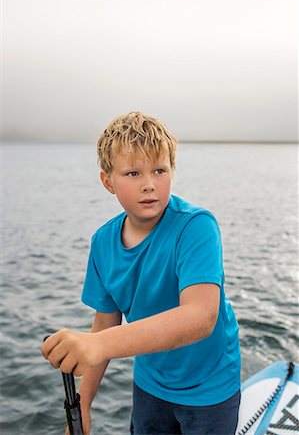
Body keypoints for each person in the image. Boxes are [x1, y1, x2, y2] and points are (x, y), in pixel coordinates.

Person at [41, 111, 241, 435]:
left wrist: (100, 345)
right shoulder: (102, 243)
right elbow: (105, 322)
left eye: (159, 170)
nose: (149, 184)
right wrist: (85, 401)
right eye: (133, 173)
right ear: (108, 181)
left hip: (210, 386)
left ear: (172, 171)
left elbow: (200, 316)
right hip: (150, 384)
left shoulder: (196, 226)